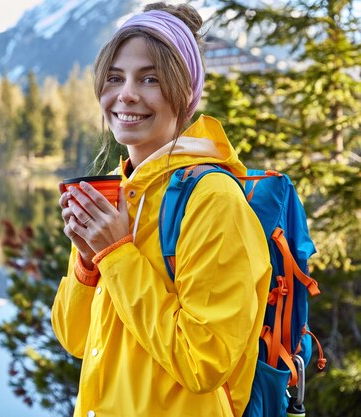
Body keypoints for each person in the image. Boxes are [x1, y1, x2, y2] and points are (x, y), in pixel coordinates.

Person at [51, 2, 272, 417]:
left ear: (185, 92)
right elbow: (75, 339)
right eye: (115, 78)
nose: (126, 94)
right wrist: (87, 262)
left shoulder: (213, 199)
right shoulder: (119, 194)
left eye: (149, 78)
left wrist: (116, 254)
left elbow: (204, 362)